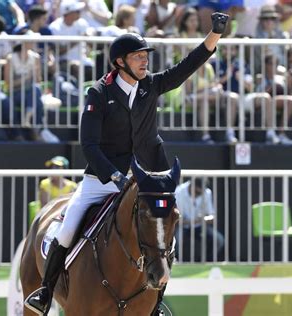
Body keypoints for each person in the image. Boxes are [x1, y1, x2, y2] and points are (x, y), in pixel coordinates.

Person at [24, 12, 230, 315]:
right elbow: (89, 146)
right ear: (120, 62)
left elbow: (187, 66)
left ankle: (156, 302)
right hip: (103, 178)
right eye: (137, 57)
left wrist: (215, 34)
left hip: (147, 179)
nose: (145, 61)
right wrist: (115, 177)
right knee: (67, 229)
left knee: (161, 235)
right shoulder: (99, 93)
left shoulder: (150, 86)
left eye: (145, 56)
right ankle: (46, 290)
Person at [175, 178, 225, 262]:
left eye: (201, 193)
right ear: (191, 185)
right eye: (197, 192)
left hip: (200, 226)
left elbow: (212, 216)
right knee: (176, 241)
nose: (199, 195)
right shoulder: (179, 192)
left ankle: (207, 263)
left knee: (218, 240)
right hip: (183, 226)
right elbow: (177, 219)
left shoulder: (207, 193)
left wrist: (203, 219)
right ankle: (179, 264)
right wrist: (193, 221)